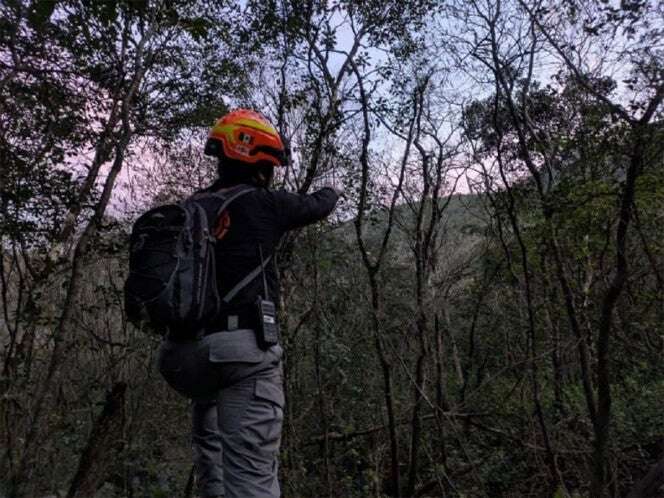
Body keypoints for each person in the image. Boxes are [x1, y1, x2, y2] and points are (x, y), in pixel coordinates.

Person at [157, 109, 339, 498]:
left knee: (213, 453)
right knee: (251, 479)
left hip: (180, 357)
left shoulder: (193, 207)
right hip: (237, 354)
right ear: (261, 165)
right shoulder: (265, 203)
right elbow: (318, 205)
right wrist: (333, 190)